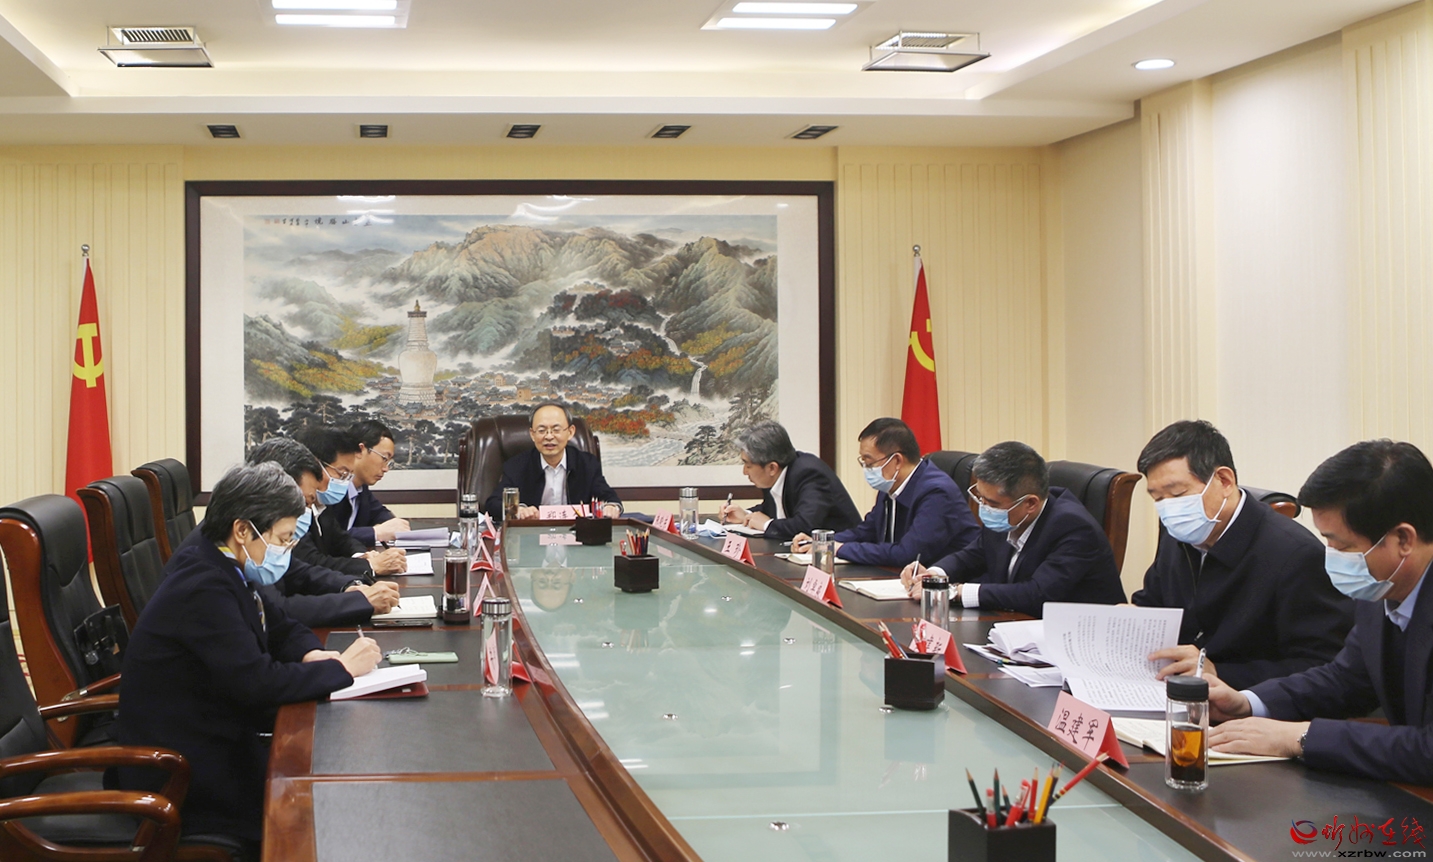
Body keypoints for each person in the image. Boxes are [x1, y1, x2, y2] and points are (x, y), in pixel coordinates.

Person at [118, 463, 382, 859]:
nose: (285, 551)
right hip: (181, 771)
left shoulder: (223, 559)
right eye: (283, 539)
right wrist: (341, 669)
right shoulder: (203, 583)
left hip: (212, 735)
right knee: (311, 812)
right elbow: (257, 683)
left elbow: (280, 625)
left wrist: (312, 653)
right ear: (243, 529)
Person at [1205, 440, 1433, 784]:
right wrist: (1247, 702)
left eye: (1343, 546)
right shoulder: (1383, 584)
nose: (1332, 557)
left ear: (1404, 539)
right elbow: (1346, 680)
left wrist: (1299, 737)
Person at [1131, 420, 1352, 688]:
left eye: (1177, 494)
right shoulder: (1178, 533)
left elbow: (1322, 664)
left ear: (1224, 481)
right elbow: (1154, 603)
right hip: (1170, 689)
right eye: (1158, 499)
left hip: (1247, 701)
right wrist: (1131, 619)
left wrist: (1219, 672)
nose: (1169, 510)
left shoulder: (1295, 555)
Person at [899, 441, 1125, 617]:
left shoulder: (1074, 528)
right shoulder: (1011, 514)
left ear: (1030, 503)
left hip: (1078, 638)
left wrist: (955, 592)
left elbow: (1037, 594)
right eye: (981, 498)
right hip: (1016, 625)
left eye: (992, 503)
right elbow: (974, 554)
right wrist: (935, 574)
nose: (984, 508)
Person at [247, 437, 402, 626]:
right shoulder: (246, 542)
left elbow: (299, 572)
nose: (303, 511)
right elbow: (278, 610)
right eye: (304, 502)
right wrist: (359, 601)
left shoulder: (266, 531)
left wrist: (350, 586)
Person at [792, 418, 979, 568]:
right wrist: (823, 542)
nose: (866, 468)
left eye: (869, 462)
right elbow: (867, 531)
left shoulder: (937, 493)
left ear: (896, 460)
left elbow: (907, 554)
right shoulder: (890, 485)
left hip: (948, 586)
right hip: (900, 579)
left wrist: (840, 549)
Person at [719, 420, 861, 540]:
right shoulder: (777, 474)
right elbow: (773, 509)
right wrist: (746, 515)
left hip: (839, 555)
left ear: (772, 468)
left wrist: (767, 525)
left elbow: (805, 526)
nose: (744, 472)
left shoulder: (810, 474)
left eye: (748, 465)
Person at [295, 426, 406, 578]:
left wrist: (363, 556)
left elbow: (340, 538)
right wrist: (370, 566)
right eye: (342, 473)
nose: (344, 482)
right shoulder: (291, 506)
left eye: (348, 475)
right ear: (314, 466)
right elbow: (310, 561)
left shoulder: (321, 503)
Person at [483, 403, 622, 520]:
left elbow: (610, 498)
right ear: (532, 434)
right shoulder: (516, 466)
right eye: (542, 430)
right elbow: (493, 503)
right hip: (532, 536)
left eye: (556, 430)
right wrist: (519, 510)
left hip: (577, 535)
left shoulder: (587, 463)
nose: (549, 436)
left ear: (570, 432)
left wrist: (611, 507)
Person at [321, 420, 409, 547]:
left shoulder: (361, 489)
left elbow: (379, 513)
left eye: (389, 462)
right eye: (384, 458)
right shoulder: (330, 489)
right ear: (360, 450)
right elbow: (330, 537)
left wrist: (394, 526)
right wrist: (376, 532)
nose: (386, 468)